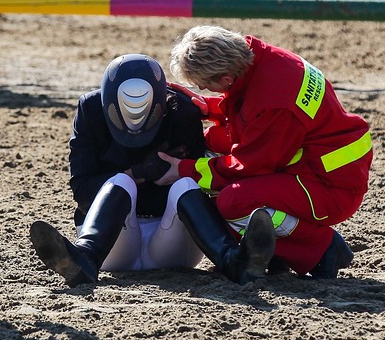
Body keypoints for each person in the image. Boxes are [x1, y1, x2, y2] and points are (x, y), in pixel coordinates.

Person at [29, 54, 276, 286]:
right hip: (110, 247)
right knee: (120, 182)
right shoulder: (90, 110)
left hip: (172, 243)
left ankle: (234, 262)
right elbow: (82, 194)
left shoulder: (182, 112)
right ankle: (84, 259)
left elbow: (197, 186)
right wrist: (136, 174)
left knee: (187, 184)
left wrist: (177, 171)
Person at [150, 25, 371, 280]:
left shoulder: (275, 103)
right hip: (315, 163)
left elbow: (248, 165)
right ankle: (280, 253)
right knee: (211, 151)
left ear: (225, 80)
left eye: (205, 86)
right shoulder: (257, 58)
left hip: (330, 187)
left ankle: (324, 248)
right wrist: (208, 108)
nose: (205, 90)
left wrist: (183, 169)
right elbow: (250, 109)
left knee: (233, 201)